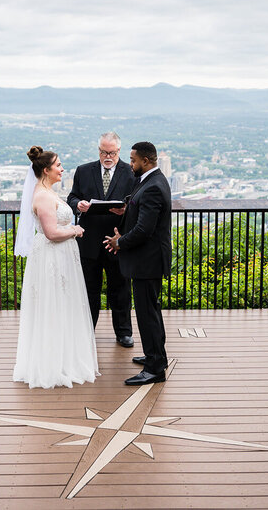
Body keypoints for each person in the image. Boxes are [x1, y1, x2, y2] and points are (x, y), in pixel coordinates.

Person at [13, 146, 99, 389]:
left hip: (61, 257)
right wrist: (75, 230)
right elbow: (51, 233)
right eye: (58, 165)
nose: (62, 169)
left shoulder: (48, 191)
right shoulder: (41, 195)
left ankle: (64, 358)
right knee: (53, 306)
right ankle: (51, 364)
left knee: (63, 305)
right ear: (45, 169)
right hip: (51, 258)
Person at [103, 141, 172, 385]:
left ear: (145, 160)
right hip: (148, 261)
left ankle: (155, 368)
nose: (130, 164)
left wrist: (119, 242)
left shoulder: (153, 186)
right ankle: (157, 356)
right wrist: (126, 212)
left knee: (147, 314)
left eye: (133, 160)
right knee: (150, 311)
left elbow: (144, 229)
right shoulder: (154, 180)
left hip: (147, 262)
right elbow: (140, 210)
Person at [67, 132, 136, 348]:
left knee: (121, 289)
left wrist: (125, 210)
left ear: (119, 151)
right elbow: (72, 196)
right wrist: (77, 205)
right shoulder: (83, 170)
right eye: (104, 152)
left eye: (112, 153)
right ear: (98, 150)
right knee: (89, 290)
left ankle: (124, 332)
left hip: (117, 240)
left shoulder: (130, 172)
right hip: (89, 242)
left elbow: (136, 203)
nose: (108, 156)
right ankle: (87, 331)